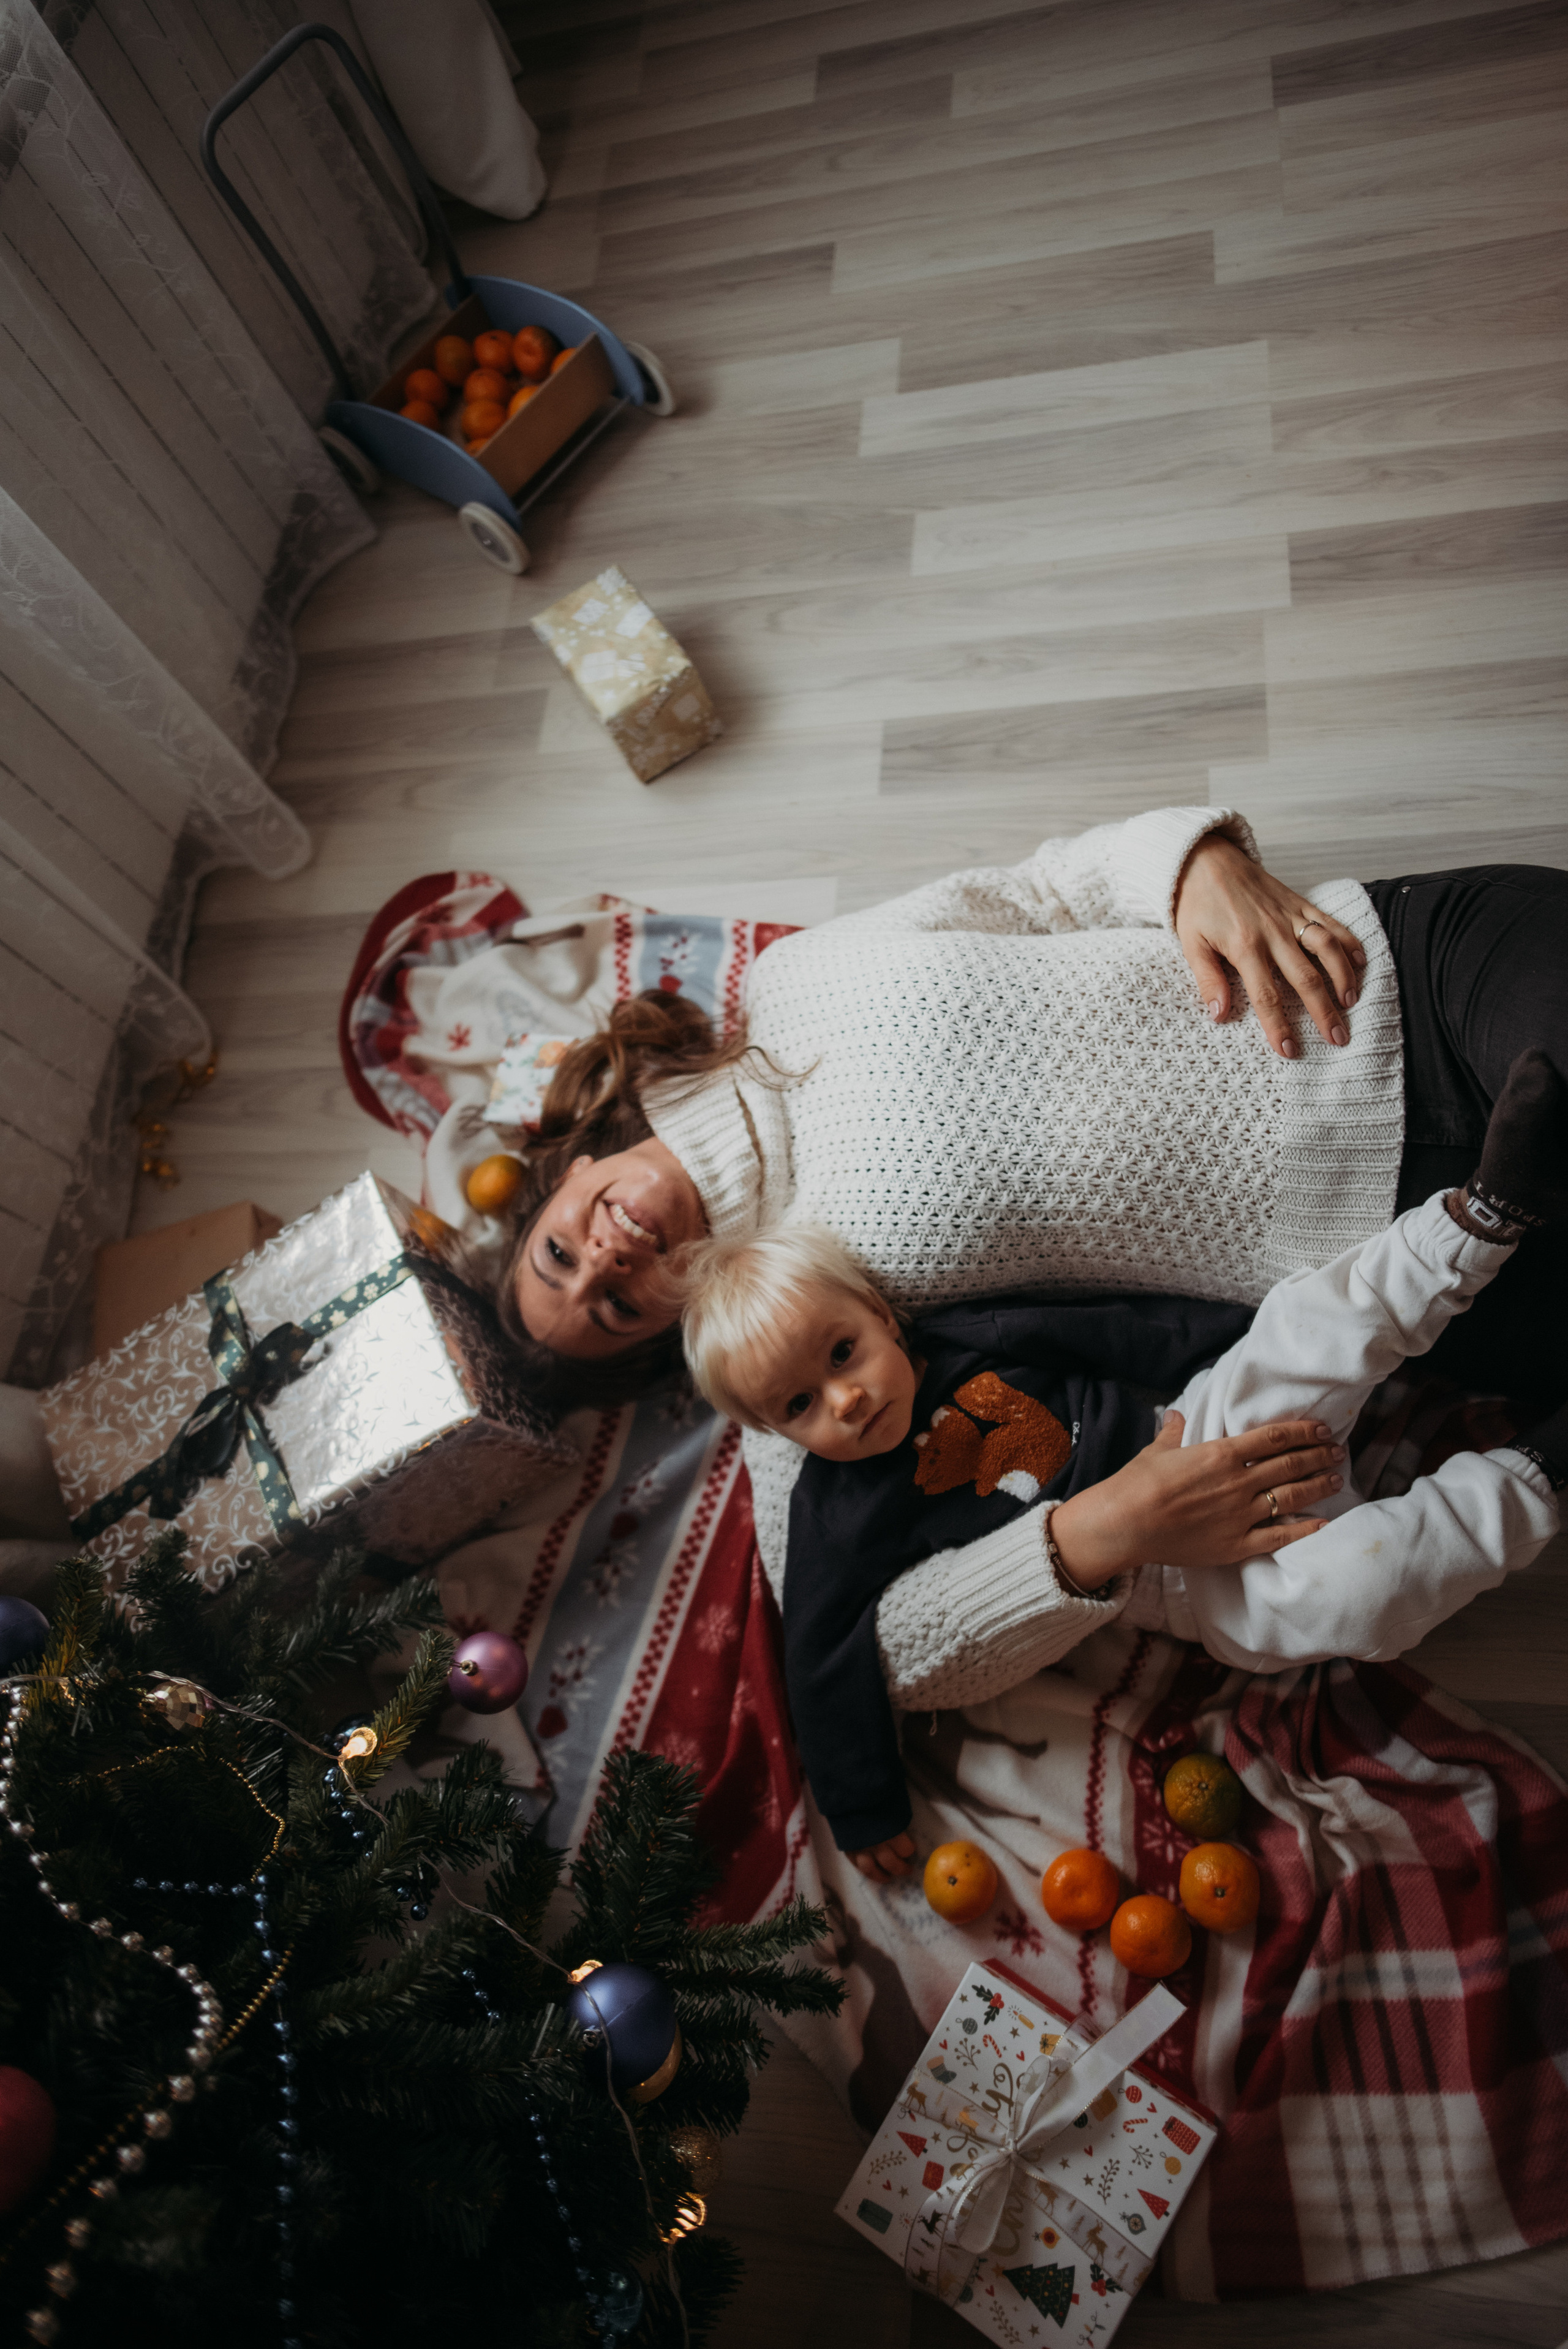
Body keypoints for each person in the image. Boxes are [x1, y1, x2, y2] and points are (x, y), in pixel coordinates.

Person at [485, 806, 1567, 1712]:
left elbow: (1051, 888)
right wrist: (1100, 1531)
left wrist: (1195, 866)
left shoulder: (792, 978)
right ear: (665, 1330)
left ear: (570, 1173)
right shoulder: (793, 1335)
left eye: (560, 1251)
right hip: (1426, 1250)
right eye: (613, 1303)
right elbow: (886, 1657)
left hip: (1398, 977)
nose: (604, 1261)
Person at [678, 1055, 1567, 1878]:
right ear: (773, 1430)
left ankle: (1477, 1221)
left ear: (878, 1313)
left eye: (842, 1353)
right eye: (799, 1405)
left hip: (1197, 1427)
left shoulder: (970, 1340)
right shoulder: (834, 1510)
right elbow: (822, 1657)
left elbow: (1117, 1326)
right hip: (1189, 1582)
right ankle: (1537, 1473)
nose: (844, 1401)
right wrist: (862, 1808)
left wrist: (1241, 1343)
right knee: (1357, 1598)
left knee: (1309, 1325)